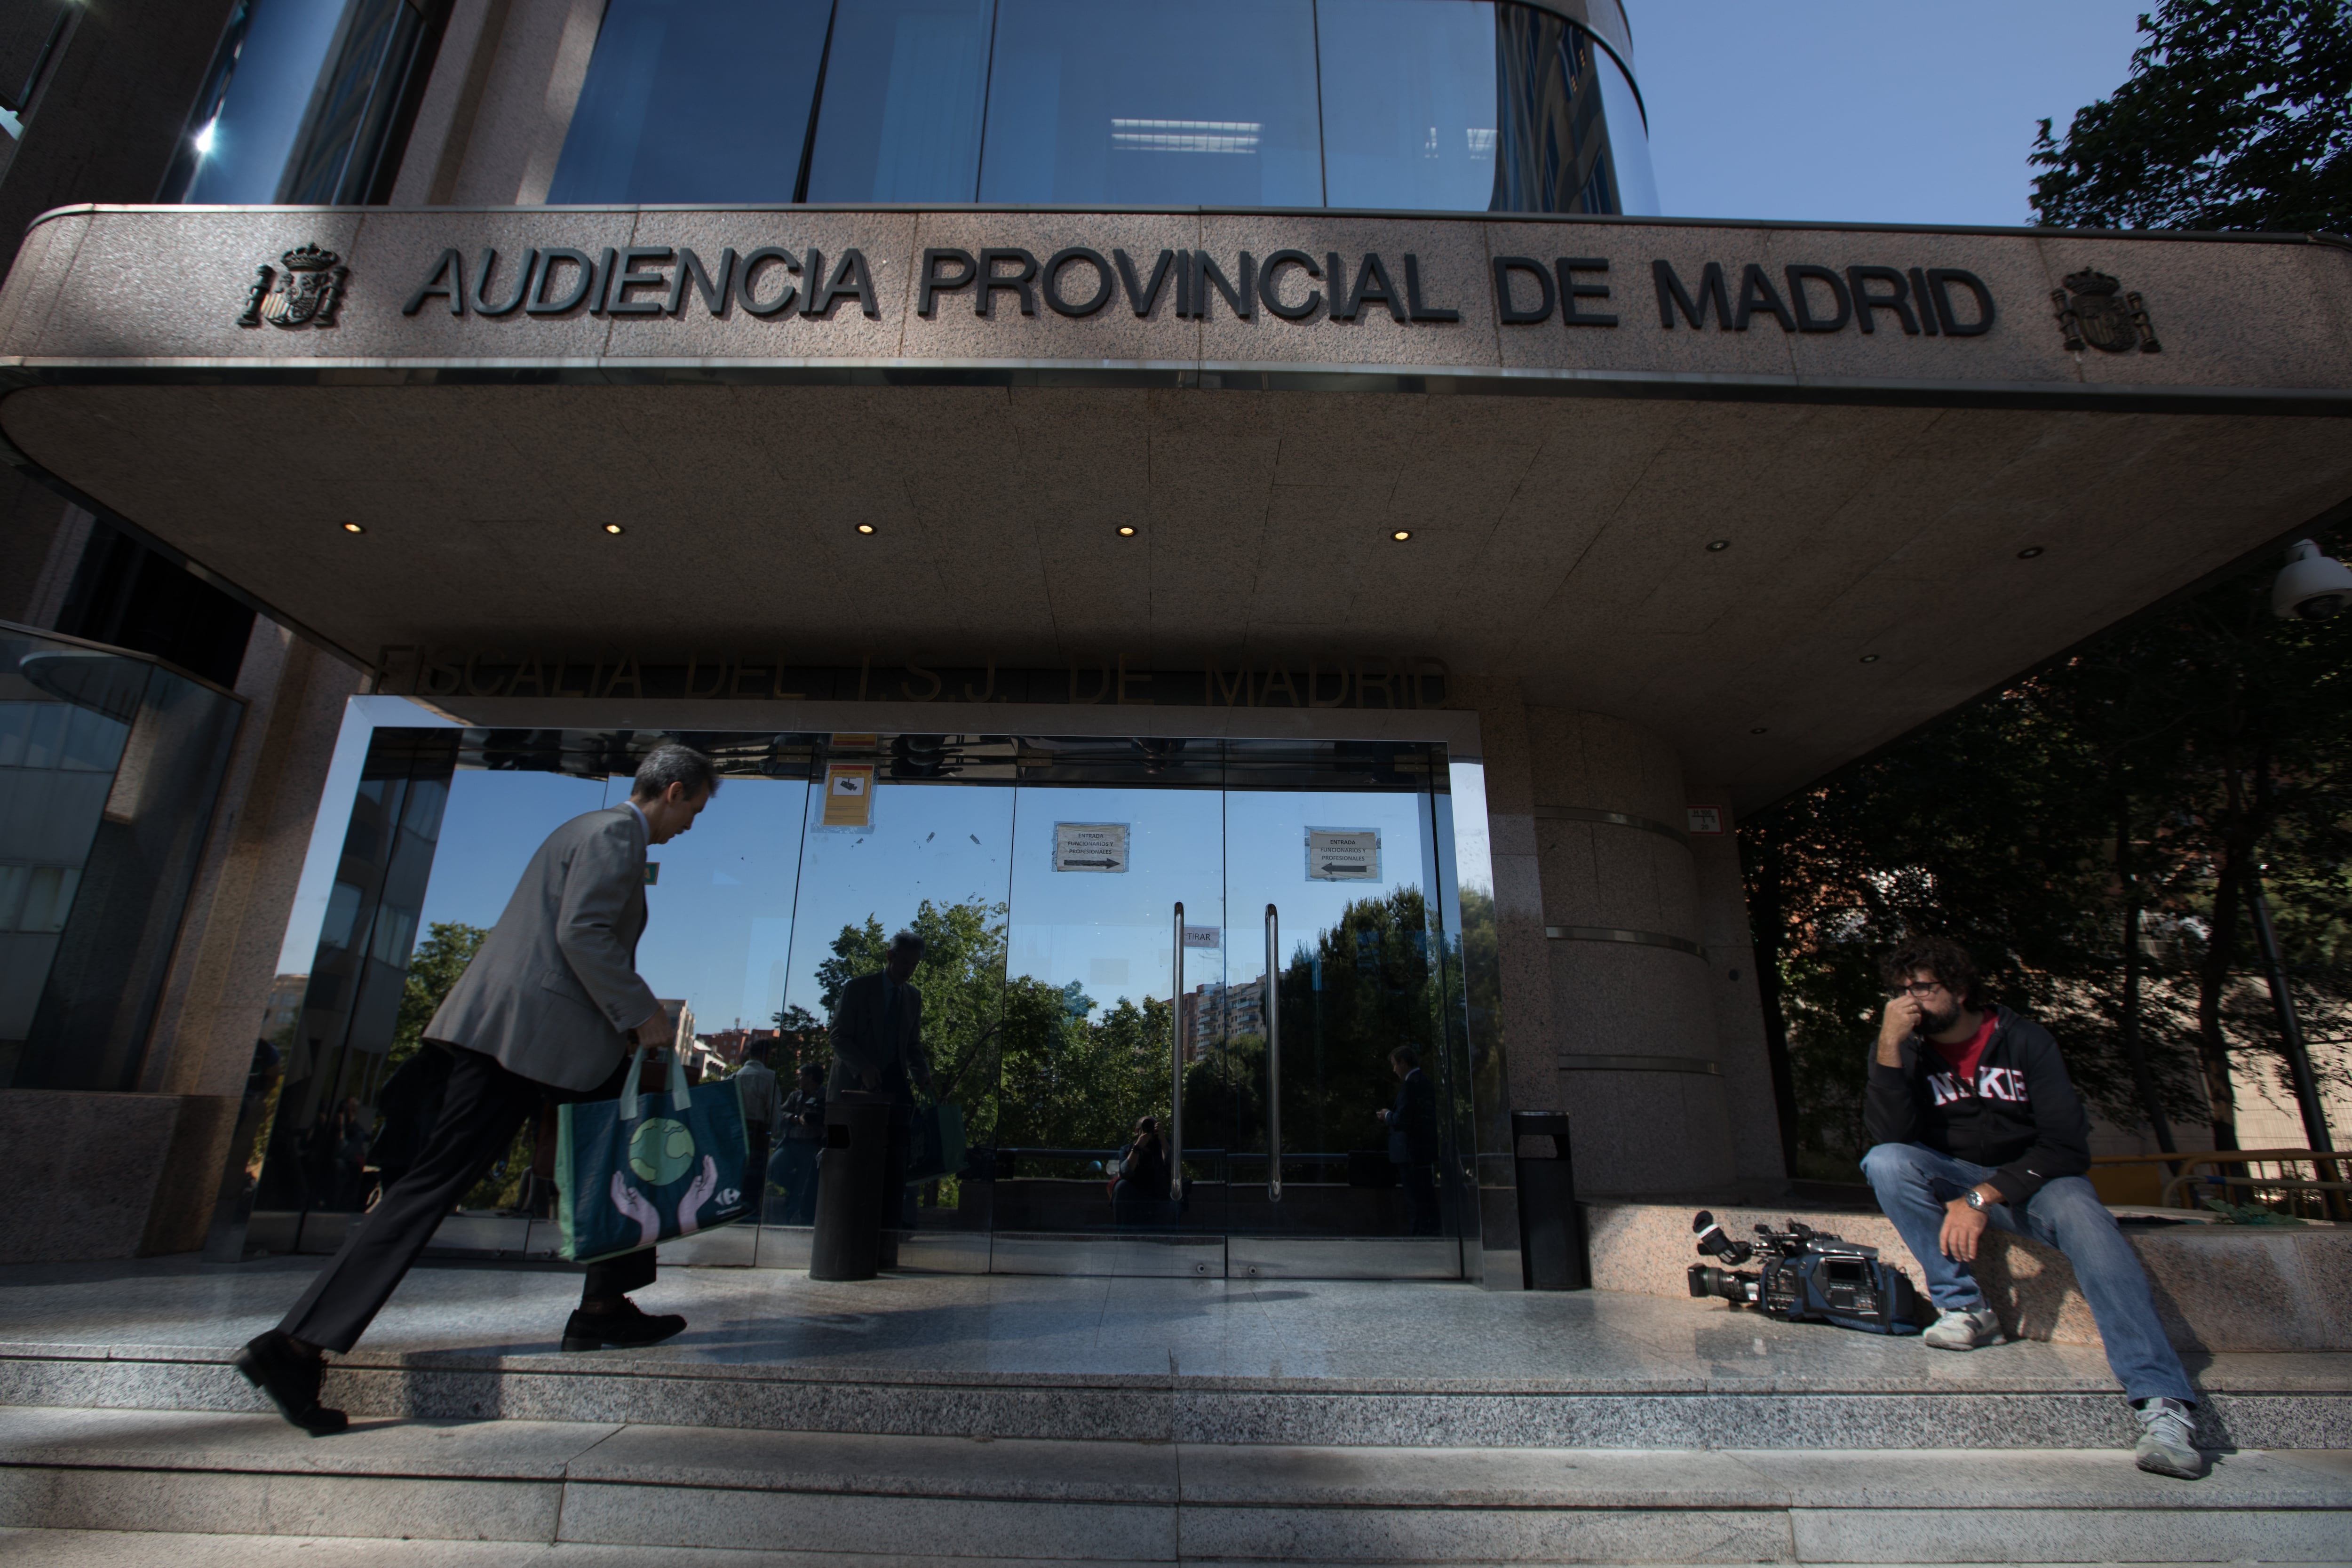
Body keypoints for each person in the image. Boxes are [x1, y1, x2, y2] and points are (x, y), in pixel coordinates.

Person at [235, 742, 720, 1436]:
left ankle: (604, 1309)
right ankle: (294, 1345)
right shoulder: (616, 834)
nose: (691, 825)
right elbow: (581, 933)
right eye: (694, 809)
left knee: (612, 1159)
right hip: (521, 1043)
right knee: (433, 1186)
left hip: (544, 1040)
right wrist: (644, 1014)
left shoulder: (580, 829)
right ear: (673, 790)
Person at [1861, 935, 2205, 1480]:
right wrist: (1887, 1043)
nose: (1908, 1001)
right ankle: (1964, 1308)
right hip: (1954, 1177)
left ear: (1959, 989)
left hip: (2037, 1182)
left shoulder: (2023, 1041)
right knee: (1884, 1162)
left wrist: (1981, 1197)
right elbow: (1889, 1138)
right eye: (1898, 991)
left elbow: (2066, 1147)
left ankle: (2162, 1403)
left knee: (2084, 1221)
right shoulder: (1906, 1047)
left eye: (1921, 988)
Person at [827, 931, 934, 1262]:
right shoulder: (858, 988)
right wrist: (863, 1068)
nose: (908, 970)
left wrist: (923, 1075)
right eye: (904, 962)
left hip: (893, 1084)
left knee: (905, 1154)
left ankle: (894, 1228)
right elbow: (838, 1036)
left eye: (914, 965)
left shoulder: (913, 997)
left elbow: (913, 1045)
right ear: (890, 956)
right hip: (853, 1088)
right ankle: (841, 1233)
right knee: (849, 1162)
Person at [1376, 1045, 1440, 1235]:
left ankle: (1419, 1234)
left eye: (1395, 1065)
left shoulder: (1411, 1086)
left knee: (1416, 1199)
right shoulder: (1425, 1083)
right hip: (1421, 1153)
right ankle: (1429, 1231)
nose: (1394, 1070)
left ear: (1404, 1063)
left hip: (1410, 1154)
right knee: (1425, 1196)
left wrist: (1387, 1116)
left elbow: (1402, 1120)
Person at [768, 1063, 827, 1224]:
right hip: (791, 1143)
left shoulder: (825, 1095)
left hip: (811, 1146)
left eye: (801, 1075)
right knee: (774, 1168)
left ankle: (793, 1221)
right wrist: (796, 1119)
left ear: (810, 1077)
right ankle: (794, 1191)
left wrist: (819, 1120)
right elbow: (780, 1113)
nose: (798, 1079)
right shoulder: (796, 1096)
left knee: (804, 1185)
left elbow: (831, 1118)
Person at [733, 1043, 780, 1202]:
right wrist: (772, 1132)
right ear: (765, 1056)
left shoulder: (736, 1076)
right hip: (757, 1131)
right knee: (755, 1174)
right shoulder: (768, 1077)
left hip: (737, 1130)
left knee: (738, 1171)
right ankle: (750, 1210)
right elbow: (773, 1110)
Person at [1111, 1115, 1168, 1226]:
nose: (1150, 1131)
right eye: (1147, 1127)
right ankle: (1122, 1232)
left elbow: (1172, 1164)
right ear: (1137, 1131)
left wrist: (1163, 1139)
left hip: (1160, 1191)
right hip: (1135, 1192)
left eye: (1153, 1128)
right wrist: (1137, 1148)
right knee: (1121, 1186)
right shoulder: (1127, 1149)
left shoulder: (1165, 1145)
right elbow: (1125, 1173)